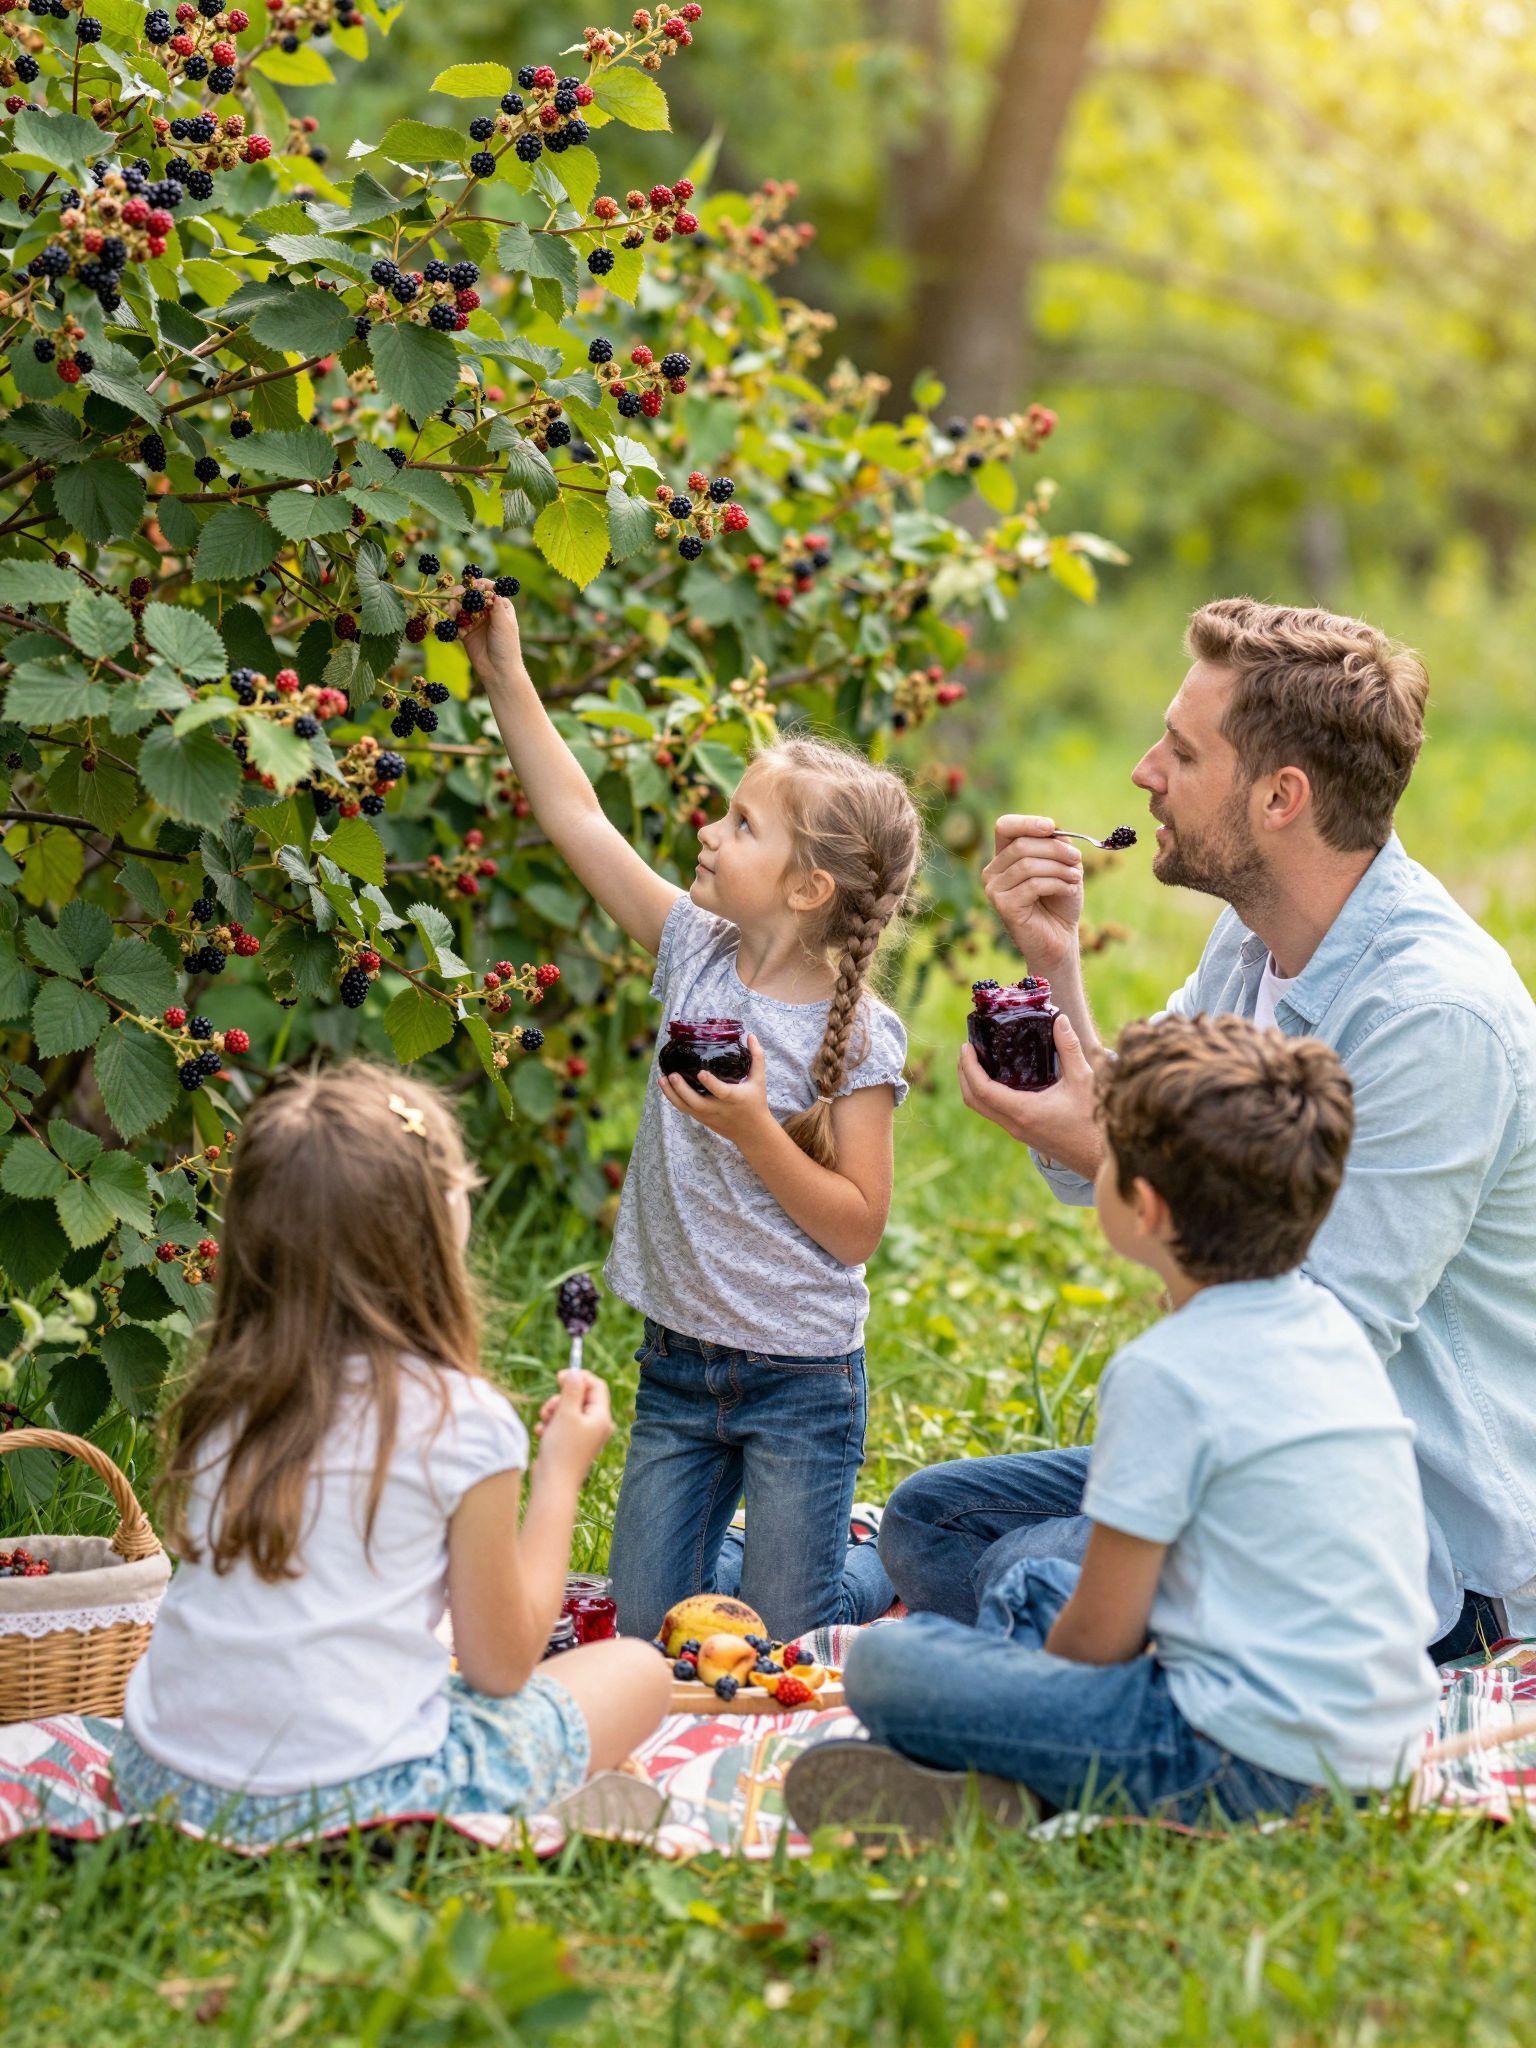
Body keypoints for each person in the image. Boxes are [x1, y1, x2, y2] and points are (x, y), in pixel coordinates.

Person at [880, 599, 1536, 1659]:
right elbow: (1133, 1123)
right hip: (1250, 1454)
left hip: (1414, 1542)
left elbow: (1307, 1337)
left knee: (1021, 1570)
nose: (1144, 770)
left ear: (1283, 796)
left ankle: (1042, 1675)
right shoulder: (1253, 943)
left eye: (1181, 752)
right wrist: (1058, 967)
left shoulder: (1435, 1018)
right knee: (930, 1520)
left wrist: (1107, 1151)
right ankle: (1044, 1645)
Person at [787, 1014, 1441, 1836]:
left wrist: (1030, 1715)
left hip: (1237, 1759)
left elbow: (1100, 1640)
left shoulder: (1168, 1373)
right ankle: (1006, 1781)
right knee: (1028, 1584)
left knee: (886, 1666)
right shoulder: (1326, 1327)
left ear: (1146, 1206)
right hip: (1374, 1743)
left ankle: (1018, 1782)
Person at [461, 588, 920, 1643]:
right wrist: (505, 676)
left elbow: (856, 1225)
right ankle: (754, 1553)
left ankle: (869, 1557)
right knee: (644, 1629)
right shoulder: (693, 946)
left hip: (799, 1379)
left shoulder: (859, 1038)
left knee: (780, 1635)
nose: (708, 833)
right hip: (678, 1357)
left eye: (741, 824)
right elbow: (577, 816)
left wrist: (755, 1126)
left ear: (807, 889)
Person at [112, 1066, 670, 1846]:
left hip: (163, 1781)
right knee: (638, 1670)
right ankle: (550, 1798)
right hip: (361, 1801)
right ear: (432, 1233)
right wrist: (560, 1474)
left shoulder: (224, 1400)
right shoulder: (460, 1419)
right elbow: (501, 1669)